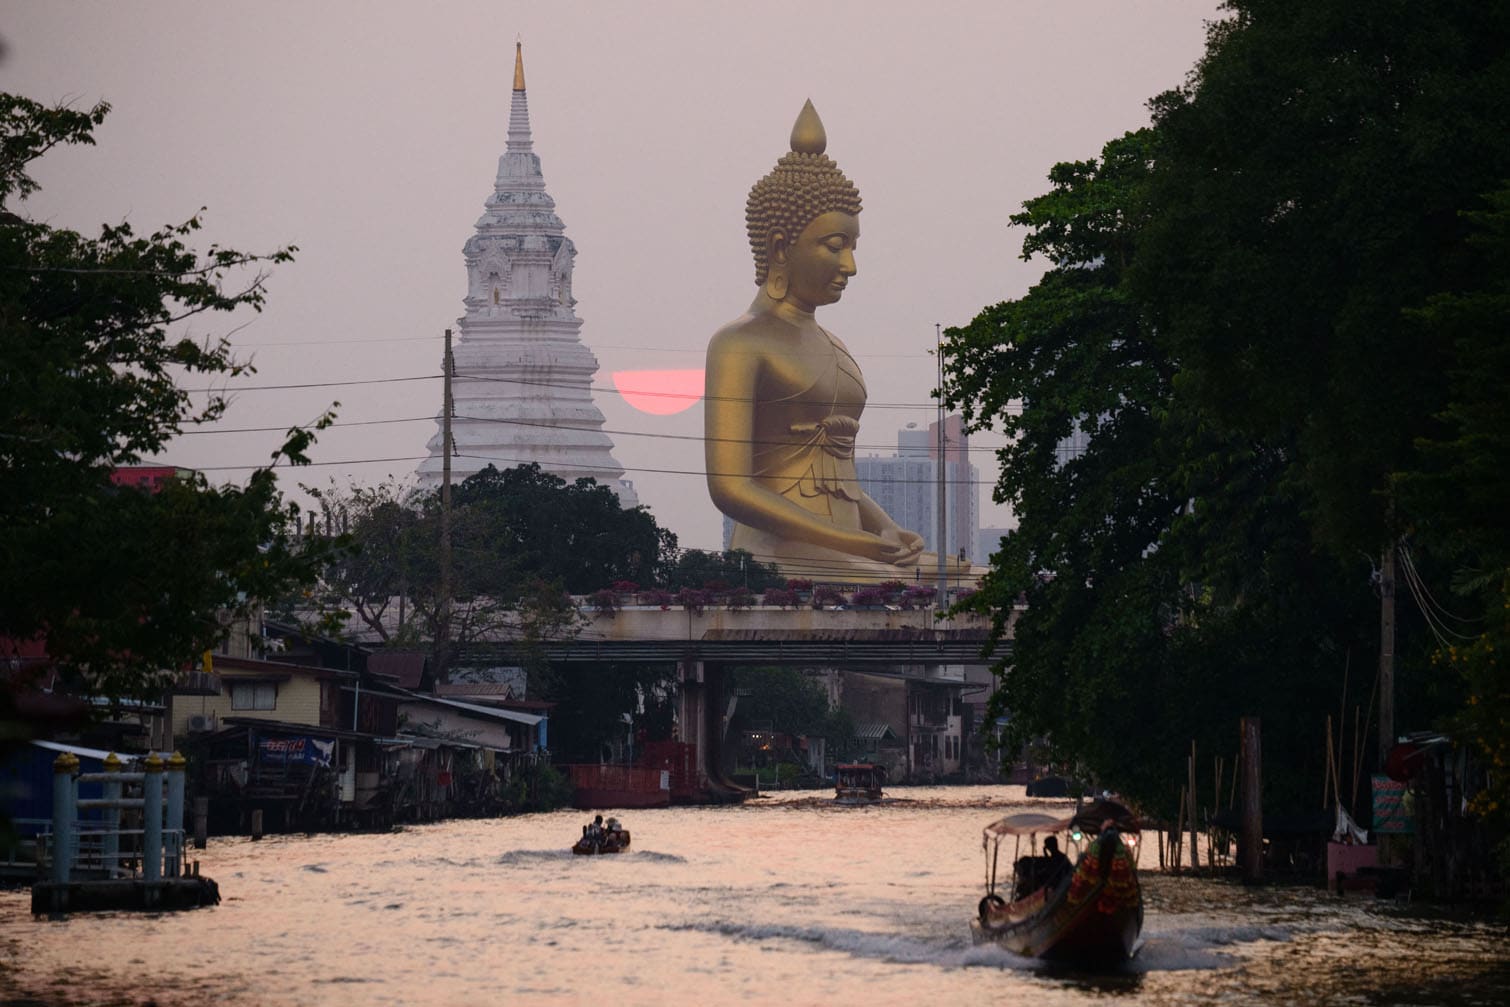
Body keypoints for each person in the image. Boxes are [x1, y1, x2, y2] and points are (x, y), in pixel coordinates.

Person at [704, 100, 931, 581]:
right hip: (777, 554)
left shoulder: (835, 345)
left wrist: (887, 531)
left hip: (852, 549)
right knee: (909, 588)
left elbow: (834, 475)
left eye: (852, 247)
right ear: (781, 248)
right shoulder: (740, 343)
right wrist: (849, 542)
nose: (850, 266)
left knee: (968, 579)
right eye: (834, 247)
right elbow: (730, 487)